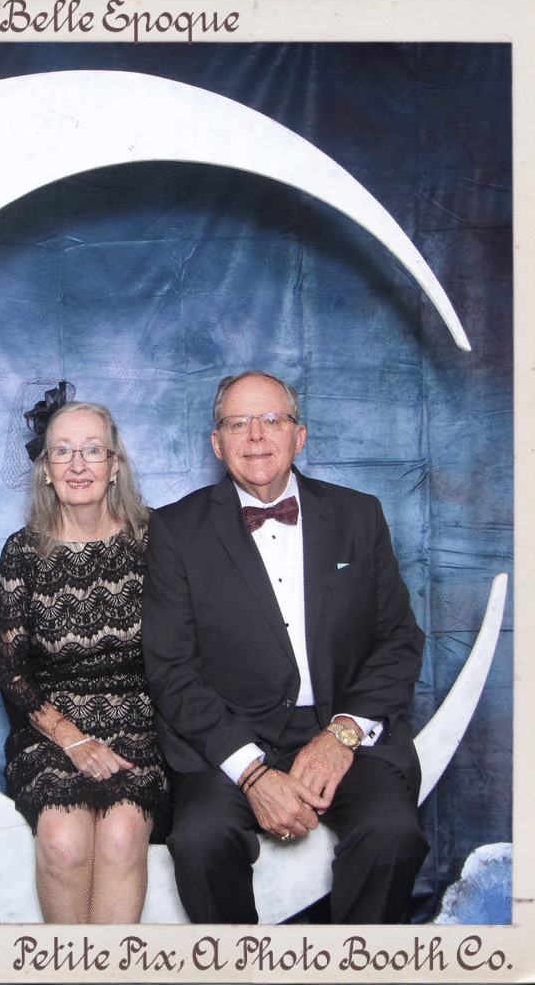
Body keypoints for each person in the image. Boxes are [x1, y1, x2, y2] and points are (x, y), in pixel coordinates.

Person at [142, 370, 429, 924]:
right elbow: (171, 670)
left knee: (392, 833)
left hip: (342, 724)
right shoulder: (175, 529)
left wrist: (342, 735)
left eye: (272, 420)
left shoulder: (359, 515)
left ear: (299, 436)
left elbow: (399, 638)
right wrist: (251, 772)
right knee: (201, 842)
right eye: (238, 423)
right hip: (229, 735)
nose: (255, 435)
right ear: (217, 443)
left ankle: (355, 965)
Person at [0, 399, 169, 923]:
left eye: (92, 450)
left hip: (140, 722)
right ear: (46, 470)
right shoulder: (23, 551)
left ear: (114, 466)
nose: (77, 465)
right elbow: (11, 671)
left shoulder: (157, 540)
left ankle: (109, 968)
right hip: (50, 728)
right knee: (64, 841)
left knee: (122, 835)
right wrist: (71, 739)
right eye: (62, 451)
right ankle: (68, 967)